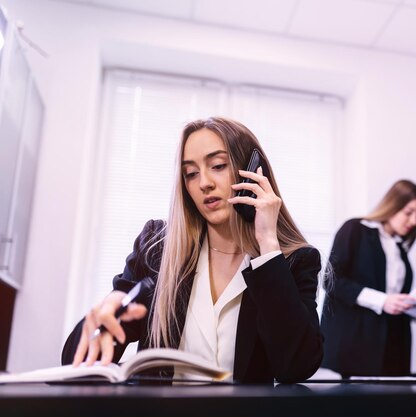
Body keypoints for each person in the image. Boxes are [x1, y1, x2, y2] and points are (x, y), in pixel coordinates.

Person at [61, 117, 323, 384]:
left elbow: (296, 367)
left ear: (254, 173)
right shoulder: (158, 249)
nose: (204, 183)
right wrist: (98, 325)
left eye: (218, 165)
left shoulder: (293, 262)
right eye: (191, 173)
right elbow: (76, 363)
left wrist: (268, 243)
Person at [320, 179, 416, 377]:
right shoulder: (355, 229)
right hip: (354, 345)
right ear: (393, 204)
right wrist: (382, 300)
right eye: (409, 212)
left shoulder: (399, 248)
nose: (414, 221)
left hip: (392, 349)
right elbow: (331, 281)